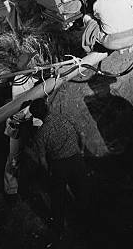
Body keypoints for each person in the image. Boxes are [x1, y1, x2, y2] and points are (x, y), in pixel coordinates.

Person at [29, 99, 90, 234]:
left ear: (37, 116)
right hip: (76, 160)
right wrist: (81, 151)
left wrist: (48, 172)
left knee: (58, 199)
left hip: (58, 167)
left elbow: (42, 160)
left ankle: (59, 227)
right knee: (82, 192)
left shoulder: (40, 134)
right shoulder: (65, 117)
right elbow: (82, 134)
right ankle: (86, 223)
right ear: (47, 107)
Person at [3, 73, 37, 199]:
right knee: (14, 158)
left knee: (27, 155)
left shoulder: (28, 78)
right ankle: (11, 189)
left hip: (28, 122)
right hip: (19, 124)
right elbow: (21, 106)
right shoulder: (20, 80)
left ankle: (23, 183)